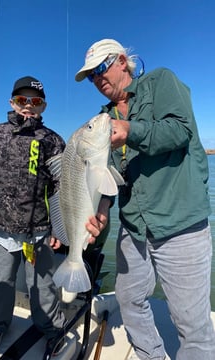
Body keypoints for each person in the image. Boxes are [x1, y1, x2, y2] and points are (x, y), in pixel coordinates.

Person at [75, 39, 215, 360]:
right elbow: (106, 173)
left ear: (122, 61)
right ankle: (151, 355)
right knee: (128, 298)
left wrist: (131, 129)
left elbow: (180, 130)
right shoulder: (102, 119)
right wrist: (102, 210)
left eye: (99, 69)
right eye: (91, 77)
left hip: (179, 222)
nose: (97, 80)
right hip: (134, 226)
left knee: (191, 325)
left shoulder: (161, 81)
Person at [0, 76, 66, 356]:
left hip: (39, 232)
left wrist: (59, 230)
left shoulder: (53, 140)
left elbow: (61, 190)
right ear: (12, 102)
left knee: (43, 288)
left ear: (43, 107)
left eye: (35, 102)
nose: (28, 107)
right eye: (22, 100)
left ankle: (52, 329)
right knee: (0, 286)